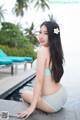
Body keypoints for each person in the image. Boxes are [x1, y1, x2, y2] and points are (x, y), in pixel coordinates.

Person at [18, 20, 67, 118]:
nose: (41, 36)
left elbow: (39, 81)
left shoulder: (42, 51)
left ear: (53, 36)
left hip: (51, 102)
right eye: (40, 32)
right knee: (34, 94)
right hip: (62, 93)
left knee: (24, 94)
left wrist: (32, 107)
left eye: (45, 33)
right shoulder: (56, 51)